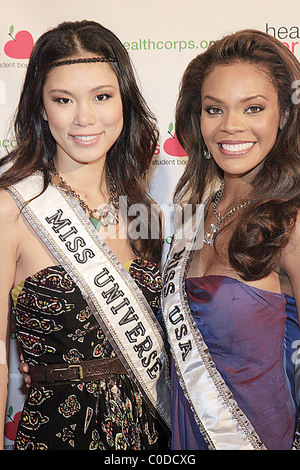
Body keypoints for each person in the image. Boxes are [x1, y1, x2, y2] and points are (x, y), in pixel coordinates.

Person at [0, 20, 171, 450]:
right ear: (41, 107)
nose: (85, 118)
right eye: (63, 99)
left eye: (101, 96)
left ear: (123, 103)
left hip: (153, 436)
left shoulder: (146, 215)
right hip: (57, 434)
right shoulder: (12, 210)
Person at [161, 29, 300, 450]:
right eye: (214, 109)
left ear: (286, 115)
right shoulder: (194, 217)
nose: (231, 126)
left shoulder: (293, 220)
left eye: (253, 108)